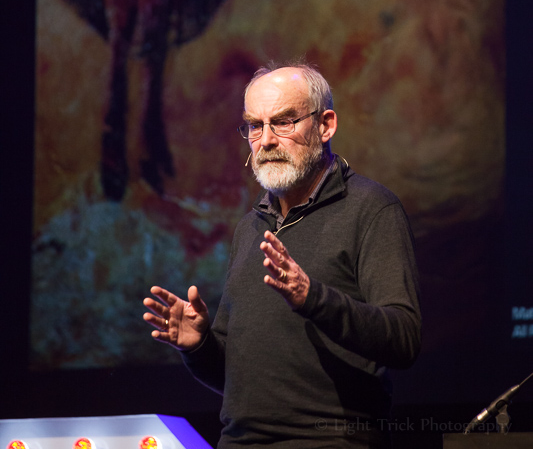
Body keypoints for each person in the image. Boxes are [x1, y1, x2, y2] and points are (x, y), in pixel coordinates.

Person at [143, 63, 421, 448]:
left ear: (325, 125)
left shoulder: (372, 210)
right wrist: (199, 345)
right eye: (254, 126)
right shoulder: (251, 227)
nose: (266, 140)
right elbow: (238, 382)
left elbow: (404, 339)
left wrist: (313, 297)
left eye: (283, 122)